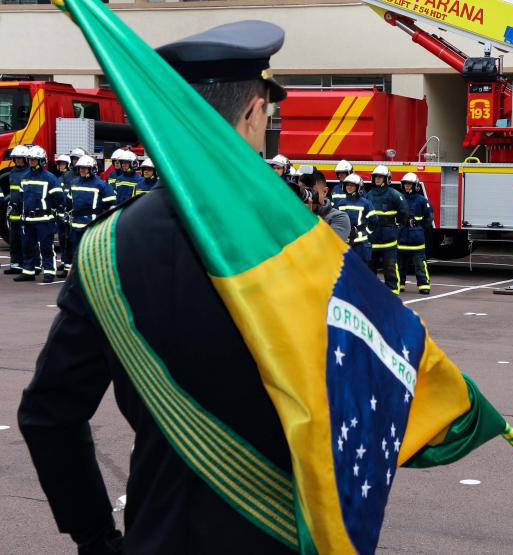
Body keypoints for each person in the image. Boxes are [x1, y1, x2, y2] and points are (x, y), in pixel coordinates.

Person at [18, 21, 299, 554]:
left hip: (161, 531)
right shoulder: (299, 240)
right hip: (287, 529)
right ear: (253, 111)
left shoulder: (108, 248)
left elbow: (48, 414)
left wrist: (95, 538)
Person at [14, 145, 64, 283]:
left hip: (44, 219)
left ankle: (48, 272)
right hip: (28, 219)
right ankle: (28, 271)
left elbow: (59, 197)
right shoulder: (24, 177)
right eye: (30, 159)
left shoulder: (50, 178)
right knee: (27, 246)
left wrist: (50, 209)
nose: (31, 162)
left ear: (42, 161)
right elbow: (21, 197)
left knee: (46, 247)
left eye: (35, 160)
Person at [365, 164, 408, 293]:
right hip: (373, 237)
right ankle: (370, 290)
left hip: (388, 237)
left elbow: (404, 212)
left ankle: (393, 289)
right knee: (370, 265)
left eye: (380, 177)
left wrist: (397, 227)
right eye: (376, 177)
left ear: (387, 179)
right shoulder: (369, 194)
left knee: (390, 265)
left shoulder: (395, 194)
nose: (377, 179)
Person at [68, 155, 115, 256]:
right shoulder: (74, 183)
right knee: (76, 254)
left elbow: (110, 203)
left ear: (92, 169)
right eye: (80, 167)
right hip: (76, 225)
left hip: (92, 226)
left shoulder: (101, 184)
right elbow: (68, 202)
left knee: (91, 254)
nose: (82, 170)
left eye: (85, 168)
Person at [397, 172, 435, 295]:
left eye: (410, 184)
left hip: (416, 239)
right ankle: (400, 284)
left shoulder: (422, 200)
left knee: (420, 265)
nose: (407, 186)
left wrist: (419, 228)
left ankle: (424, 285)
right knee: (400, 264)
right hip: (401, 238)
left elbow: (429, 217)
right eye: (406, 184)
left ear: (416, 185)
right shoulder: (399, 198)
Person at [3, 144, 31, 275]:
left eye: (21, 158)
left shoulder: (29, 172)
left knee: (26, 241)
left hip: (24, 211)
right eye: (16, 158)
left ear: (25, 159)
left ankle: (28, 265)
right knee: (14, 240)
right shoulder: (13, 172)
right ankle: (15, 265)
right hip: (13, 212)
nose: (18, 160)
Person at [337, 173, 377, 264]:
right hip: (344, 244)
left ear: (358, 187)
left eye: (352, 185)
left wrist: (365, 232)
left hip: (361, 245)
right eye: (347, 185)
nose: (349, 187)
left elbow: (374, 221)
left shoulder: (366, 203)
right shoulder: (340, 203)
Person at [302, 177, 351, 242]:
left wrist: (308, 220)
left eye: (310, 191)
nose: (305, 195)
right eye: (302, 190)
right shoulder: (293, 213)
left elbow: (329, 248)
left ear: (324, 192)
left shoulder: (339, 217)